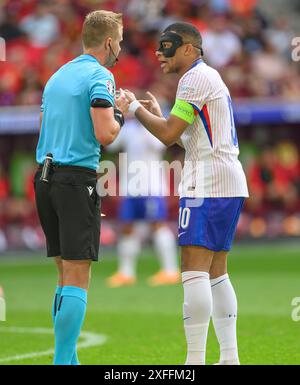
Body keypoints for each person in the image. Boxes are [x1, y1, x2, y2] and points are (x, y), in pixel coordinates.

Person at [124, 22, 249, 365]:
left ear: (190, 50)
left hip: (205, 182)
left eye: (169, 46)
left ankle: (194, 362)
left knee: (193, 271)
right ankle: (229, 358)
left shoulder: (193, 79)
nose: (160, 52)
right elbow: (185, 135)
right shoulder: (208, 77)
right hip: (228, 181)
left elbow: (167, 136)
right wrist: (154, 115)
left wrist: (135, 109)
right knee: (217, 272)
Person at [34, 10, 128, 365]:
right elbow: (106, 133)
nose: (119, 47)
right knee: (77, 276)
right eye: (118, 40)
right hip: (76, 180)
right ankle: (62, 363)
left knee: (62, 275)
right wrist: (121, 113)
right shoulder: (101, 76)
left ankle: (68, 359)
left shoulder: (57, 76)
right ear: (108, 42)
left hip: (44, 177)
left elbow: (42, 125)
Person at [105, 118, 180, 288]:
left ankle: (170, 271)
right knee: (127, 227)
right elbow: (111, 144)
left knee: (157, 225)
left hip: (151, 187)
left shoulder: (156, 125)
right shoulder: (129, 128)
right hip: (130, 186)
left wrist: (147, 122)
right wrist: (119, 119)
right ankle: (126, 273)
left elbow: (160, 145)